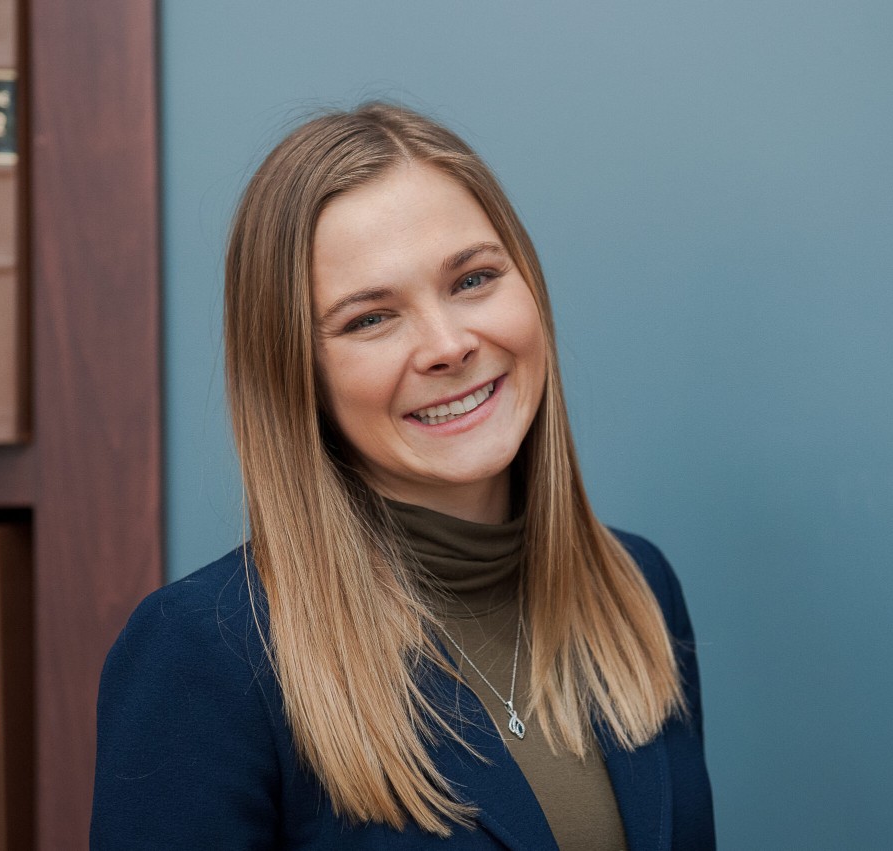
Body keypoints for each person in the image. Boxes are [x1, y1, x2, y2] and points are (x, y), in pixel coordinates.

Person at [91, 102, 715, 850]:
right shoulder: (204, 658)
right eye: (370, 319)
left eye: (474, 278)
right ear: (298, 377)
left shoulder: (637, 590)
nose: (448, 345)